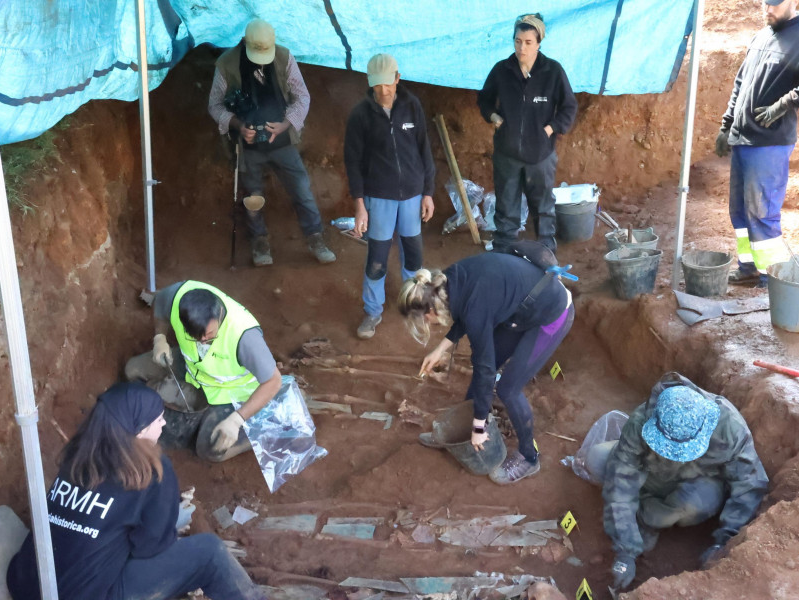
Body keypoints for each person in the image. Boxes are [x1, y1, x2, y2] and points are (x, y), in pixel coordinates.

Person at [6, 382, 265, 600]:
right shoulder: (150, 469)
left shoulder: (77, 454)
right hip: (91, 594)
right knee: (209, 552)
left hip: (26, 584)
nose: (163, 424)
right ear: (139, 429)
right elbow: (151, 547)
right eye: (158, 419)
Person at [398, 251, 574, 484]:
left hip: (551, 314)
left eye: (424, 320)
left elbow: (485, 367)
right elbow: (462, 309)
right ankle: (458, 431)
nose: (427, 324)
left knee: (508, 389)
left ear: (430, 311)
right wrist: (441, 348)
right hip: (520, 309)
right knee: (483, 370)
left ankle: (529, 457)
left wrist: (479, 427)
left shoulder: (474, 309)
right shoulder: (446, 280)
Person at [589, 373, 768, 591]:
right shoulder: (641, 420)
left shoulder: (730, 428)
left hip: (698, 482)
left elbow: (749, 485)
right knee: (597, 460)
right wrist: (625, 549)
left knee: (692, 506)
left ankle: (648, 518)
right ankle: (641, 515)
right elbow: (620, 479)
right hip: (653, 474)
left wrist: (724, 541)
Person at [715, 0, 799, 288]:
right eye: (764, 3)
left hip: (769, 143)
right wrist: (726, 124)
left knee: (762, 213)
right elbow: (741, 83)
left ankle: (772, 278)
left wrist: (785, 104)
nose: (767, 9)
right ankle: (749, 267)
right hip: (744, 139)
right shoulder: (762, 35)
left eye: (774, 4)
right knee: (740, 211)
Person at [208, 18, 335, 266]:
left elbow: (302, 97)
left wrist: (287, 124)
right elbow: (214, 105)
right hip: (249, 146)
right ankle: (259, 242)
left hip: (282, 140)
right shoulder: (226, 64)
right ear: (244, 42)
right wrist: (239, 126)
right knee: (253, 196)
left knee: (302, 191)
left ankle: (316, 238)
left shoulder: (284, 57)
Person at [125, 280, 282, 463]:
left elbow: (273, 381)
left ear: (220, 314)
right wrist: (160, 338)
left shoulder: (245, 337)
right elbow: (160, 303)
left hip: (229, 392)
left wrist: (236, 420)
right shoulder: (177, 296)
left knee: (211, 447)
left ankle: (256, 430)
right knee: (132, 370)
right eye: (195, 337)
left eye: (209, 336)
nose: (202, 342)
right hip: (192, 367)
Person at [345, 53, 436, 339]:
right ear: (370, 84)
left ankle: (415, 304)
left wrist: (428, 193)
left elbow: (425, 151)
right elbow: (353, 162)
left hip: (411, 194)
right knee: (377, 258)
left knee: (414, 255)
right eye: (377, 86)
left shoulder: (412, 106)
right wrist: (360, 205)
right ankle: (373, 311)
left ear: (397, 78)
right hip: (379, 197)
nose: (383, 91)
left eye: (388, 84)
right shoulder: (361, 115)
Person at [476, 13, 578, 254]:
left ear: (539, 43)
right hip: (507, 154)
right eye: (518, 41)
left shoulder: (552, 71)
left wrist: (551, 128)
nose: (522, 47)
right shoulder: (502, 70)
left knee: (543, 211)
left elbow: (569, 106)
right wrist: (494, 117)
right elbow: (484, 99)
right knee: (506, 212)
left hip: (541, 156)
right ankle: (504, 261)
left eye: (528, 42)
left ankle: (545, 260)